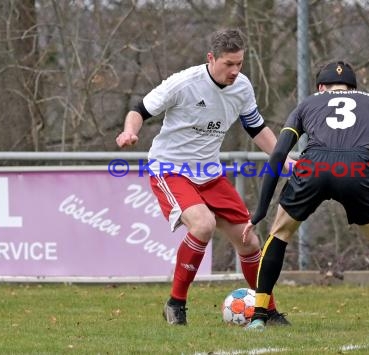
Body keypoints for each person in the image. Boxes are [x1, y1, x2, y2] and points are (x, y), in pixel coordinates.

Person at [116, 29, 293, 326]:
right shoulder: (183, 83)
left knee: (250, 241)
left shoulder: (242, 87)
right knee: (203, 224)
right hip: (170, 169)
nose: (235, 71)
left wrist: (284, 159)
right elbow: (139, 110)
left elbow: (256, 128)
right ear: (211, 58)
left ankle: (267, 311)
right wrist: (130, 131)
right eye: (228, 64)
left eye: (240, 64)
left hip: (209, 173)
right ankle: (176, 303)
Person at [242, 61, 369, 331]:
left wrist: (260, 210)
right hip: (357, 168)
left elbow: (278, 154)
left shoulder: (307, 104)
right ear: (353, 88)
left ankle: (259, 317)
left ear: (322, 87)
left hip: (314, 167)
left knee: (279, 234)